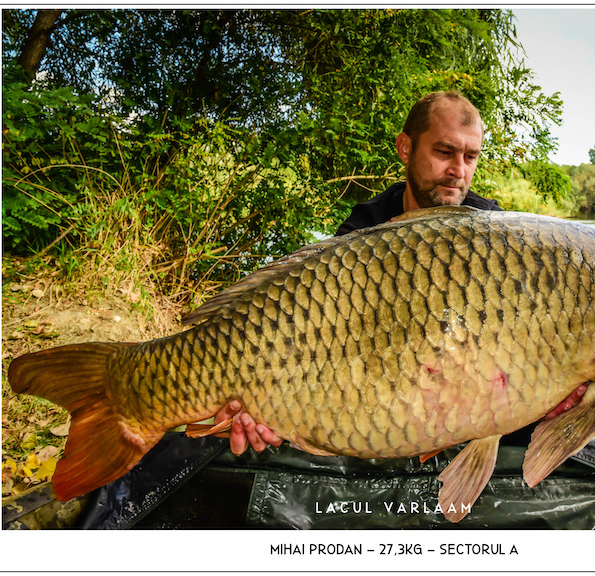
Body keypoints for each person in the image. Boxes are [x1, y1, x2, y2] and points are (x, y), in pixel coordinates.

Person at [214, 91, 503, 455]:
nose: (458, 171)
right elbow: (314, 346)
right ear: (405, 148)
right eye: (444, 152)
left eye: (470, 157)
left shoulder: (493, 234)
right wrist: (264, 405)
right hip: (371, 393)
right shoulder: (362, 230)